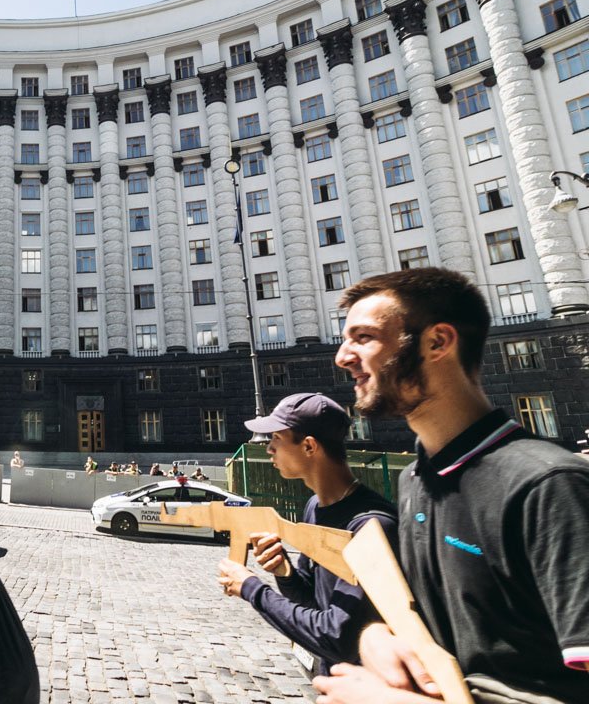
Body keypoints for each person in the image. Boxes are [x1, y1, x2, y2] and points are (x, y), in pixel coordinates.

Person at [314, 268, 589, 704]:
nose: (343, 357)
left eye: (363, 338)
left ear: (437, 342)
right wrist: (376, 637)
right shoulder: (416, 480)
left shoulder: (549, 486)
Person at [216, 392, 398, 676]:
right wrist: (285, 572)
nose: (269, 449)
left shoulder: (371, 526)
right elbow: (315, 601)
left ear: (309, 447)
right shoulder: (315, 505)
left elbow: (338, 637)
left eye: (276, 439)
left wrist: (252, 589)